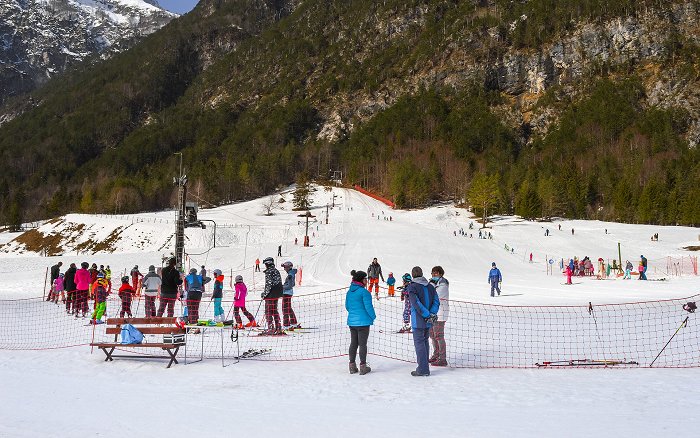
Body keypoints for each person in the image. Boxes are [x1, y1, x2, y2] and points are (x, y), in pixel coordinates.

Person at [406, 266, 440, 376]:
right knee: (425, 341)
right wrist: (432, 314)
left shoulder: (412, 287)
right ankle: (424, 367)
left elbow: (416, 303)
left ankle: (423, 369)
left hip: (419, 320)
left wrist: (426, 315)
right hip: (429, 320)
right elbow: (436, 302)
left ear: (413, 275)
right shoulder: (430, 286)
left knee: (419, 343)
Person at [345, 269, 376, 375]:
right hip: (363, 323)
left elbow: (347, 307)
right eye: (365, 279)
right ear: (361, 280)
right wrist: (373, 317)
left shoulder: (349, 292)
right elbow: (369, 307)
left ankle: (352, 366)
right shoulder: (364, 292)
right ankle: (363, 366)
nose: (366, 281)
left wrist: (354, 314)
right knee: (362, 344)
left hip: (352, 322)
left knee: (353, 343)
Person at [429, 266, 449, 367]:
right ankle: (436, 355)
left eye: (436, 273)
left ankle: (442, 358)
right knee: (432, 335)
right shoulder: (434, 283)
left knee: (439, 336)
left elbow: (435, 295)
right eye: (432, 273)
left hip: (441, 313)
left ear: (440, 274)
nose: (433, 275)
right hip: (433, 312)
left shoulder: (443, 284)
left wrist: (431, 285)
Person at [261, 257, 284, 335]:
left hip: (271, 294)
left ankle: (270, 327)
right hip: (277, 293)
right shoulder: (276, 271)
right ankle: (278, 327)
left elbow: (268, 284)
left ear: (268, 264)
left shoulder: (269, 272)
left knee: (268, 311)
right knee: (274, 310)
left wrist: (264, 294)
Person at [281, 261, 299, 330]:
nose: (284, 269)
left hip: (287, 293)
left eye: (285, 267)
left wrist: (282, 287)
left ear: (289, 267)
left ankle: (286, 324)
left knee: (285, 309)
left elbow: (291, 285)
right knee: (288, 308)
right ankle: (293, 322)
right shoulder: (291, 273)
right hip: (288, 292)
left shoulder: (290, 275)